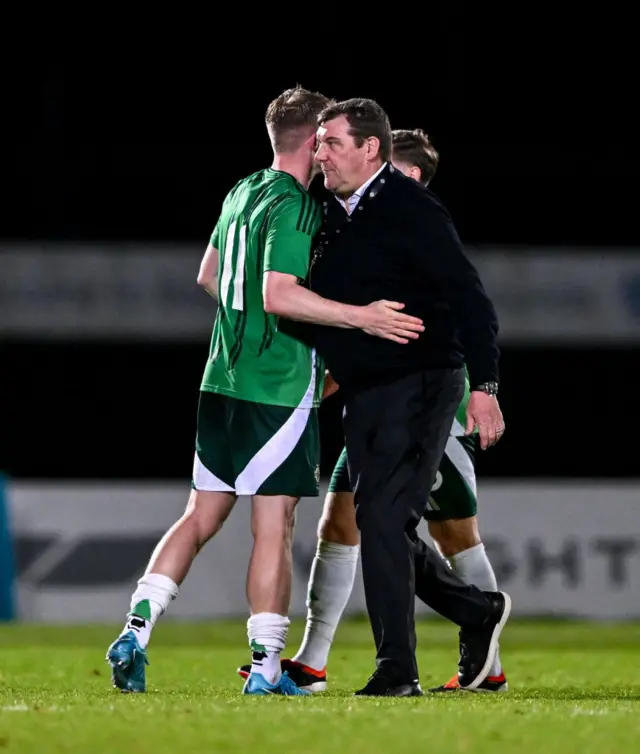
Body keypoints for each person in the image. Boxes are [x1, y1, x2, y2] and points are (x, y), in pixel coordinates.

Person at [104, 87, 425, 696]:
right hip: (274, 389)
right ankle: (268, 667)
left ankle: (136, 630)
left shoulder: (241, 190)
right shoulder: (296, 207)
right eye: (326, 139)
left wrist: (242, 320)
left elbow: (208, 276)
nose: (330, 149)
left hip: (218, 378)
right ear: (312, 141)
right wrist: (360, 318)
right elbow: (280, 293)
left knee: (198, 516)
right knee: (273, 525)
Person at [237, 129, 508, 694]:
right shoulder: (340, 216)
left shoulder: (413, 211)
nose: (323, 156)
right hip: (373, 394)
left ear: (384, 163)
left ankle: (437, 658)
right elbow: (346, 318)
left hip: (432, 396)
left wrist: (483, 385)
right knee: (366, 522)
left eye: (333, 143)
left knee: (442, 529)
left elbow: (468, 299)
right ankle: (467, 617)